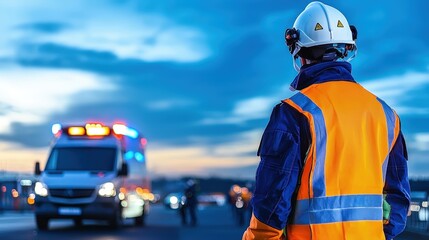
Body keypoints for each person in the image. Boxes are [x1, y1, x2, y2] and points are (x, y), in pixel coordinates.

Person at [242, 2, 411, 240]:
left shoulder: (294, 112)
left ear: (298, 53)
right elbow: (398, 197)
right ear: (347, 50)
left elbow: (273, 199)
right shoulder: (386, 114)